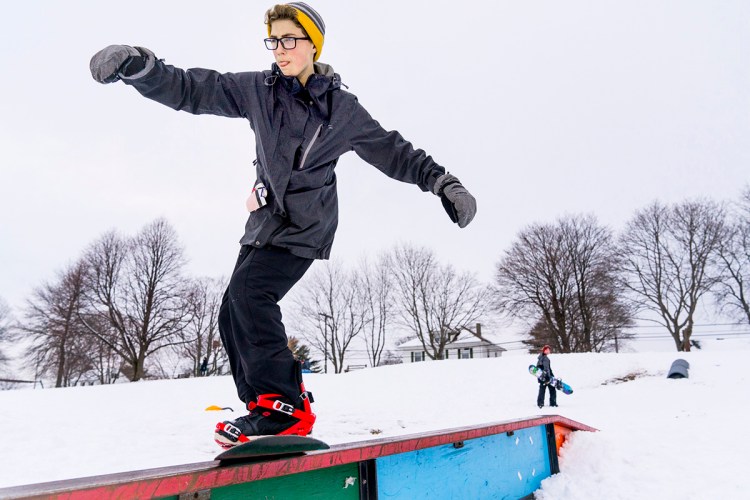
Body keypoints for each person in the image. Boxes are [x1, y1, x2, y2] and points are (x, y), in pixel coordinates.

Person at [89, 2, 477, 448]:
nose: (279, 49)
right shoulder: (259, 91)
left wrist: (444, 183)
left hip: (304, 228)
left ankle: (284, 405)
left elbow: (393, 151)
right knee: (232, 312)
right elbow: (193, 90)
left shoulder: (341, 110)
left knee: (251, 297)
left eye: (289, 39)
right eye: (273, 40)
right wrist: (140, 66)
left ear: (314, 44)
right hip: (263, 224)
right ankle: (264, 407)